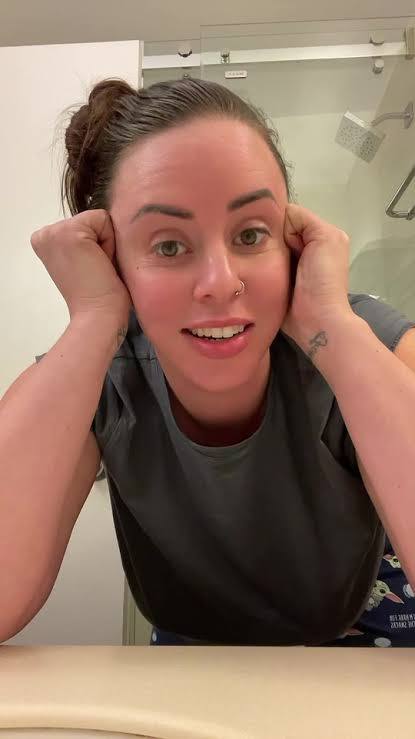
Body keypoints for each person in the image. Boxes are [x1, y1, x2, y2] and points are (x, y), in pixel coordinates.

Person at [1, 77, 415, 648]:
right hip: (189, 646)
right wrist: (94, 318)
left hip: (356, 619)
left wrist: (335, 330)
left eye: (251, 234)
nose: (221, 283)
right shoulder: (100, 372)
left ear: (292, 243)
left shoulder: (362, 338)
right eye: (169, 245)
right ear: (112, 261)